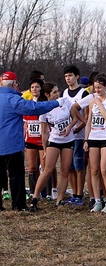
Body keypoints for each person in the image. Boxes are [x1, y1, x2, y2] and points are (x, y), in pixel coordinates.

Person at [0, 71, 64, 211]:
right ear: (14, 84)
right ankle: (18, 205)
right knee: (16, 176)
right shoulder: (13, 100)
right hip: (12, 145)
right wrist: (55, 103)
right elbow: (34, 108)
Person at [29, 82, 78, 211]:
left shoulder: (65, 102)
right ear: (47, 94)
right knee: (48, 170)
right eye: (55, 92)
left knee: (65, 171)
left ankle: (59, 200)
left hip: (68, 140)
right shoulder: (44, 109)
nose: (58, 94)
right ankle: (35, 198)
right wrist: (45, 149)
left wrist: (69, 127)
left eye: (58, 91)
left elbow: (75, 118)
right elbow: (44, 133)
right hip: (54, 141)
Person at [84, 76, 106, 213]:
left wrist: (99, 104)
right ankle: (97, 201)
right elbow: (89, 122)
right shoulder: (93, 101)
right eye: (95, 87)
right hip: (94, 137)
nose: (97, 90)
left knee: (104, 170)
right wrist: (86, 140)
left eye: (99, 87)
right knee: (94, 170)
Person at [62, 65, 89, 206]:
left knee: (79, 165)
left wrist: (78, 129)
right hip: (68, 136)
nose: (68, 79)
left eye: (70, 76)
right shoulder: (64, 93)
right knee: (70, 166)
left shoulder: (83, 93)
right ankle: (74, 193)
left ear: (77, 76)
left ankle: (80, 194)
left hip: (79, 135)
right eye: (66, 76)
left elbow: (87, 116)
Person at [23, 79, 48, 200]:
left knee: (45, 167)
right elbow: (24, 124)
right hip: (30, 140)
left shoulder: (45, 104)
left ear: (41, 89)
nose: (34, 89)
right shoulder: (27, 104)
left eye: (37, 87)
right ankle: (33, 192)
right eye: (32, 87)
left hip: (42, 140)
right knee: (32, 167)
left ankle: (46, 193)